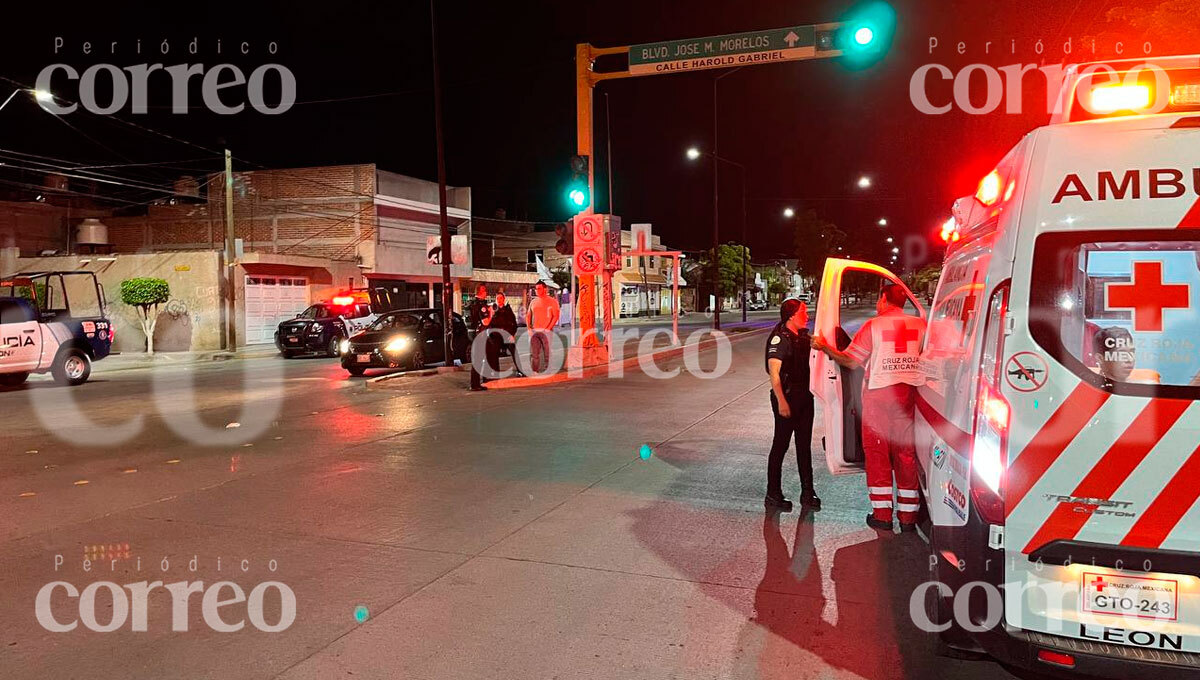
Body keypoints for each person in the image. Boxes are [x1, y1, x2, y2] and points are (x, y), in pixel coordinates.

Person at [812, 283, 927, 532]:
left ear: (883, 299)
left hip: (878, 397)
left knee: (877, 456)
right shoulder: (921, 326)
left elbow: (851, 361)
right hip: (908, 397)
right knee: (906, 456)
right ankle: (908, 519)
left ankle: (882, 516)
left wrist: (824, 347)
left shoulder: (874, 326)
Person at [764, 298, 821, 513]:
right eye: (803, 312)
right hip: (786, 397)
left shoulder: (803, 337)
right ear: (791, 315)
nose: (807, 315)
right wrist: (782, 402)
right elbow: (774, 373)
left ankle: (808, 492)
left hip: (805, 397)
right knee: (780, 446)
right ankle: (773, 494)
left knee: (804, 447)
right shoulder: (780, 339)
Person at [467, 284, 497, 391]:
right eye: (485, 291)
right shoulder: (481, 305)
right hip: (481, 334)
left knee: (482, 357)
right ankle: (475, 384)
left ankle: (482, 380)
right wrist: (491, 313)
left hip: (474, 334)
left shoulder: (472, 303)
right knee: (480, 359)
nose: (486, 293)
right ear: (481, 292)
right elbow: (485, 321)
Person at [527, 281, 560, 374]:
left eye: (539, 288)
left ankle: (548, 370)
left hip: (547, 331)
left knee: (547, 353)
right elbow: (528, 315)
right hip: (534, 331)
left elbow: (556, 316)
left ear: (545, 289)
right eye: (536, 289)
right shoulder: (533, 302)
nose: (537, 290)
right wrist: (529, 328)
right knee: (534, 353)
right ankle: (535, 371)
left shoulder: (552, 301)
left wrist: (548, 328)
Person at [491, 290, 523, 377]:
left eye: (501, 298)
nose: (499, 300)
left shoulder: (508, 310)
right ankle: (494, 373)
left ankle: (520, 371)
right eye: (497, 298)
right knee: (494, 354)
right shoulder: (493, 311)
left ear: (504, 299)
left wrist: (512, 335)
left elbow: (514, 324)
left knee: (514, 352)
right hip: (497, 336)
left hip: (507, 335)